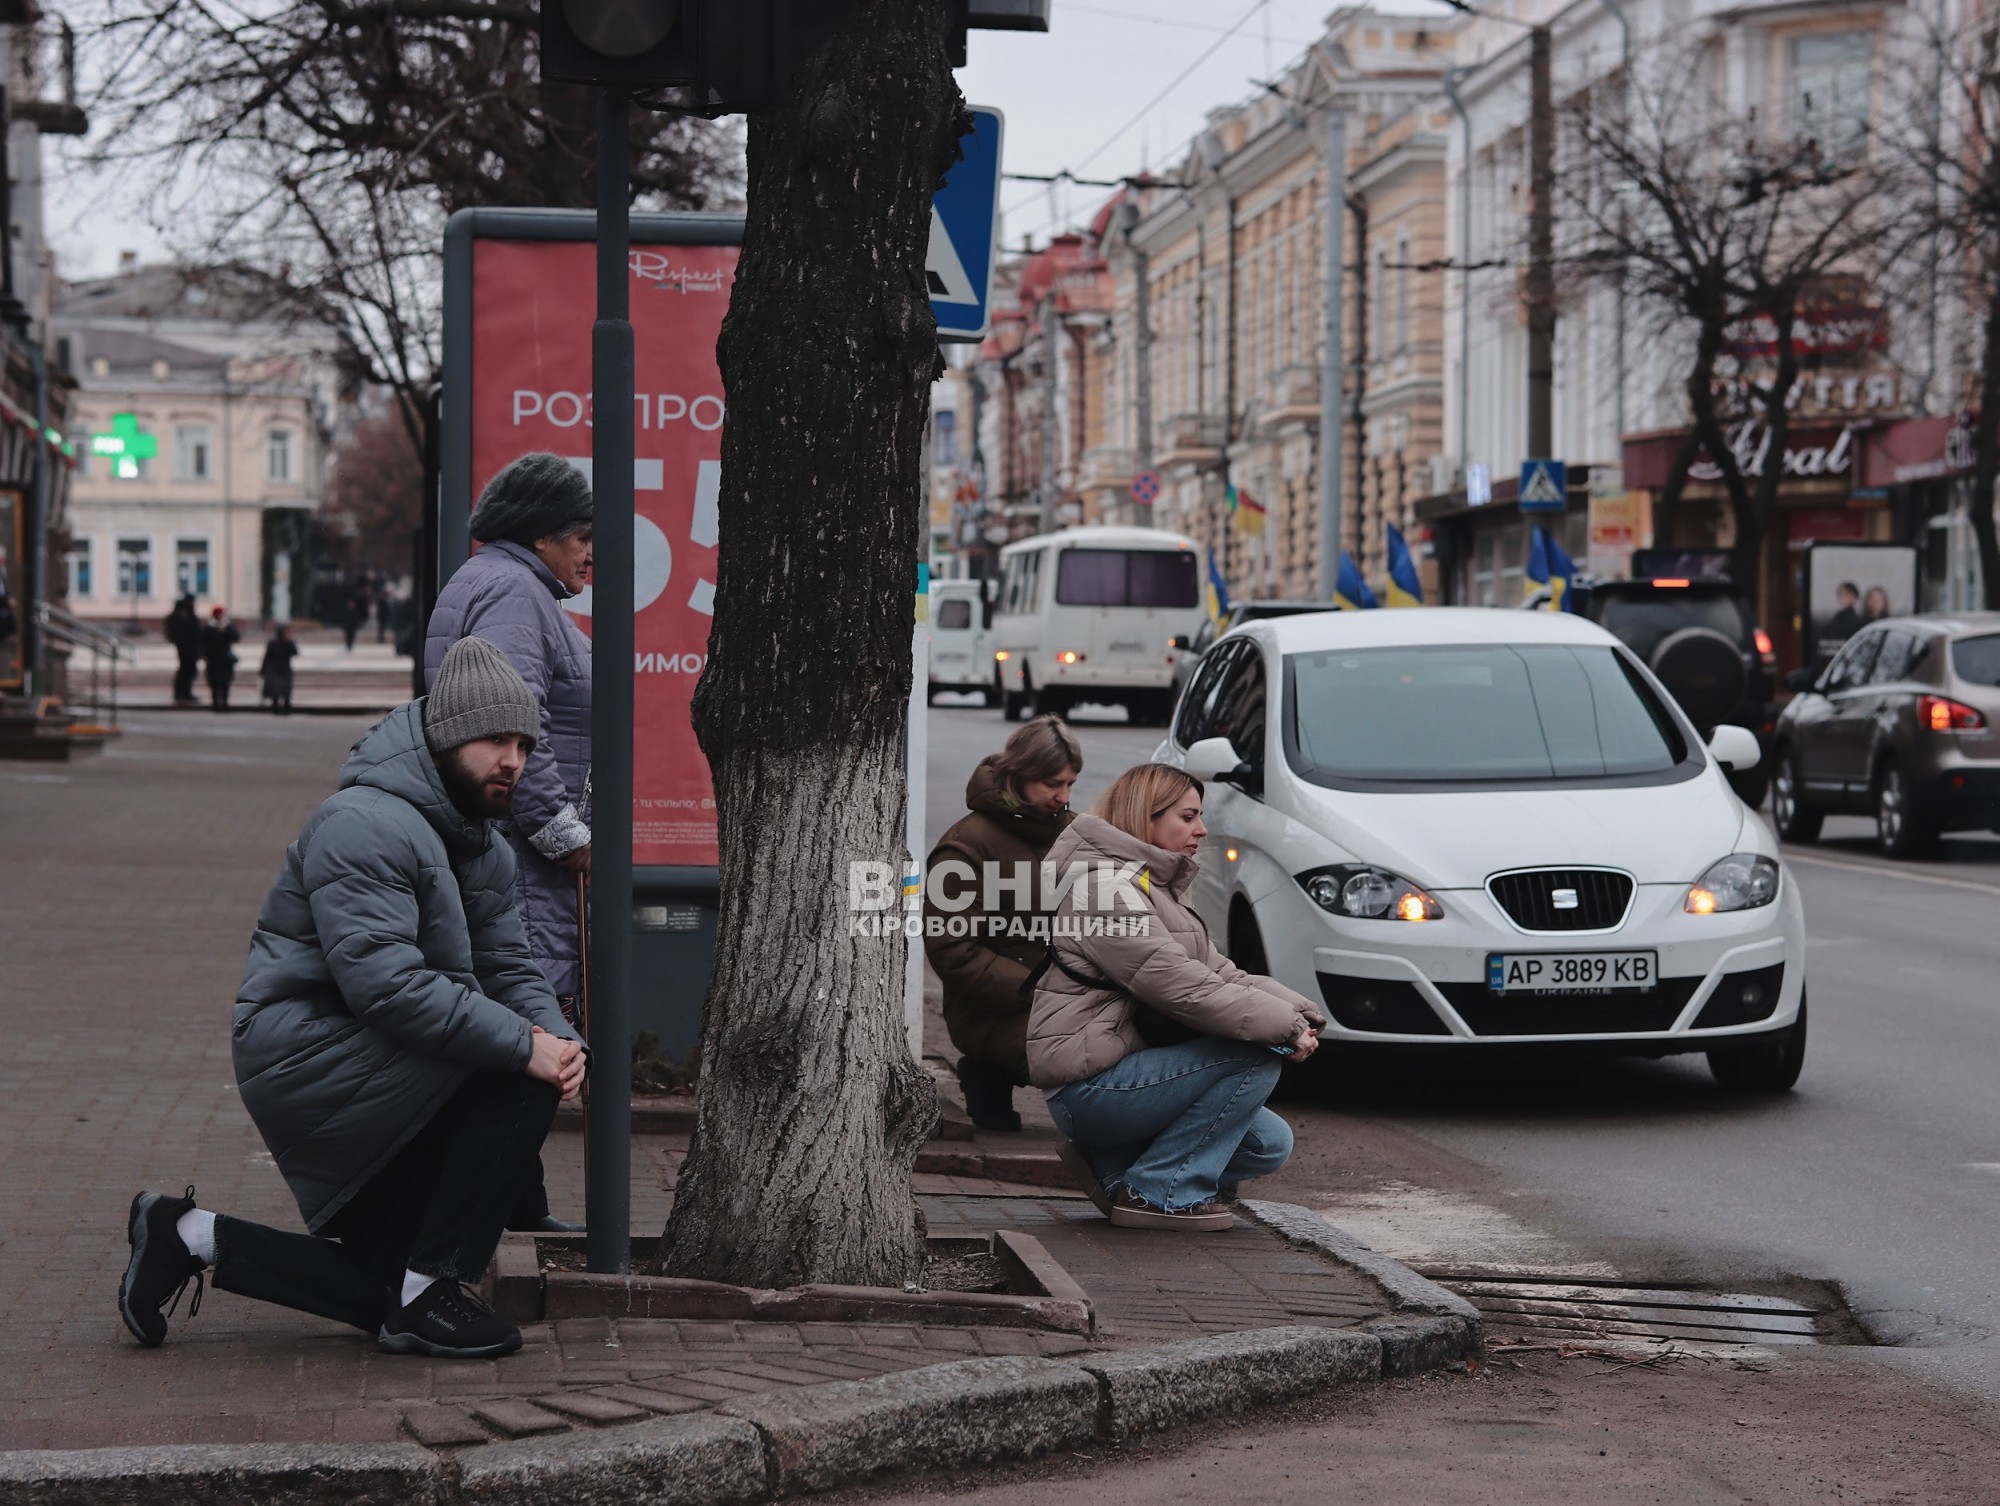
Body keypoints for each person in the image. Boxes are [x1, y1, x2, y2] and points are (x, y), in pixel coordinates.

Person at [117, 637, 588, 1359]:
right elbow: (388, 987)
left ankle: (187, 1234)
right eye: (496, 739)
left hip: (384, 1061)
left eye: (524, 743)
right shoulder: (364, 824)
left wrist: (561, 1038)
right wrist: (529, 1048)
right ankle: (431, 1290)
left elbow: (509, 966)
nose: (514, 761)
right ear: (447, 734)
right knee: (511, 1068)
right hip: (311, 1054)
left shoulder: (483, 847)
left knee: (386, 1288)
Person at [1029, 763, 1325, 1231]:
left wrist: (1301, 1013)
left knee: (1266, 1144)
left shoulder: (1151, 885)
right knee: (1253, 1058)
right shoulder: (1103, 889)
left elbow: (1219, 973)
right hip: (1090, 1085)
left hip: (1128, 1070)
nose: (1201, 830)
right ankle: (1157, 1193)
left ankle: (1117, 1167)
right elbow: (1181, 986)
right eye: (1187, 817)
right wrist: (1282, 1029)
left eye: (1200, 817)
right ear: (1146, 815)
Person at [426, 452, 593, 1232]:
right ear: (543, 534)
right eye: (584, 535)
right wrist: (563, 835)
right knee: (531, 1041)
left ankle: (513, 1207)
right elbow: (511, 727)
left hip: (509, 851)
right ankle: (493, 1216)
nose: (595, 551)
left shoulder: (500, 585)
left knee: (518, 1040)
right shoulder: (516, 596)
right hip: (521, 860)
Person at [924, 715, 1083, 1131]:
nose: (1062, 796)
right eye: (1052, 784)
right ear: (1020, 775)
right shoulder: (967, 844)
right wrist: (1041, 991)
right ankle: (986, 1068)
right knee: (1089, 1054)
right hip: (992, 1008)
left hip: (1066, 998)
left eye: (1070, 784)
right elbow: (953, 949)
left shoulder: (1074, 834)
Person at [199, 606, 240, 712]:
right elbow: (203, 642)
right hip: (213, 659)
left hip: (225, 660)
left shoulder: (228, 625)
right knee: (214, 683)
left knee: (225, 683)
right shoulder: (208, 627)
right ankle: (215, 704)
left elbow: (236, 637)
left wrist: (226, 630)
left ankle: (225, 703)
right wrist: (203, 655)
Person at [164, 595, 201, 704]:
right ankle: (181, 692)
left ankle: (186, 692)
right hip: (186, 647)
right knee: (185, 670)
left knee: (189, 670)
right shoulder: (182, 616)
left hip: (191, 647)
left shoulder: (189, 614)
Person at [260, 623, 299, 714]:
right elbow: (267, 657)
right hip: (275, 669)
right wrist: (263, 669)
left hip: (285, 669)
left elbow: (295, 652)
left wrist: (288, 642)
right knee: (275, 690)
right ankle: (275, 708)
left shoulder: (289, 642)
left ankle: (286, 708)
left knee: (286, 691)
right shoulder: (273, 643)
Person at [1825, 582, 1863, 646]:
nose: (1842, 598)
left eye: (1846, 595)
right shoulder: (1839, 615)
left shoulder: (1854, 620)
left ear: (1854, 597)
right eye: (1841, 594)